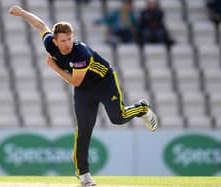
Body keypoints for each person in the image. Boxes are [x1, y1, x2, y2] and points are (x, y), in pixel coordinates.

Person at [9, 5, 158, 186]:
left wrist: (55, 68)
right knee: (84, 131)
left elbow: (75, 81)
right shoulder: (49, 42)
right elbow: (40, 25)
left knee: (117, 118)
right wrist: (22, 12)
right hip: (85, 91)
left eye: (70, 39)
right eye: (63, 40)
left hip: (104, 82)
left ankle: (142, 108)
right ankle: (84, 175)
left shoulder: (80, 53)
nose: (68, 43)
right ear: (55, 41)